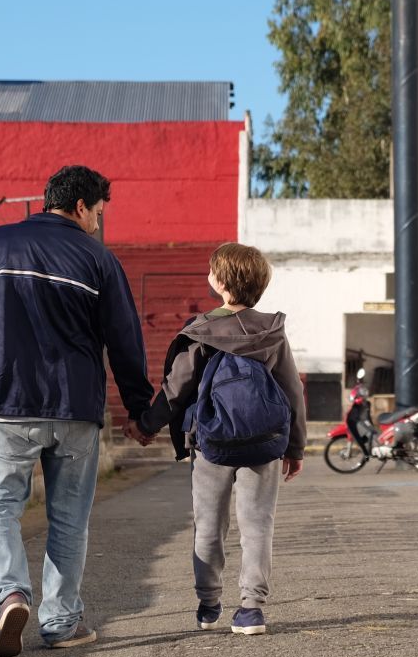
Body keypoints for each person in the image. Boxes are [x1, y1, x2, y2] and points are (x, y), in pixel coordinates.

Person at [0, 165, 153, 657]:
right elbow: (125, 343)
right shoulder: (100, 260)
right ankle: (61, 622)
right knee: (69, 519)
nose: (98, 223)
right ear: (80, 207)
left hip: (9, 403)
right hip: (76, 409)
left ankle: (10, 596)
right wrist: (140, 412)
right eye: (98, 213)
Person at [129, 243, 305, 636]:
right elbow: (292, 391)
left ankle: (209, 603)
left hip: (211, 445)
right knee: (258, 525)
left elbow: (176, 390)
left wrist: (145, 425)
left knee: (209, 526)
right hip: (265, 442)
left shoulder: (202, 331)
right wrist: (295, 448)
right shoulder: (272, 331)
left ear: (220, 283)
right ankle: (251, 610)